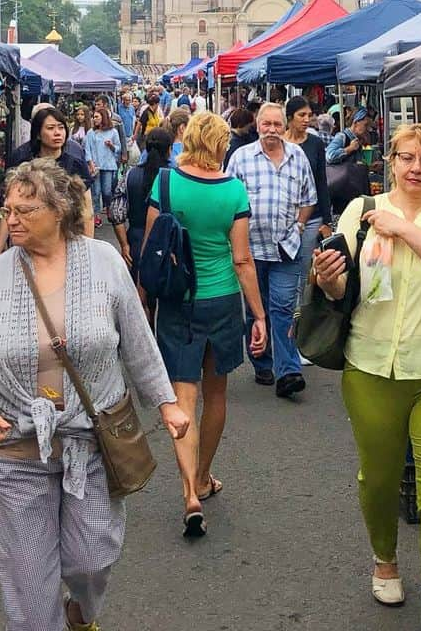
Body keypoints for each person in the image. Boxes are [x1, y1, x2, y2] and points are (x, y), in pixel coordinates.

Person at [0, 158, 189, 631]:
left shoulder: (103, 262)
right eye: (8, 209)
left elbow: (138, 340)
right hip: (16, 449)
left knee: (91, 557)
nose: (12, 219)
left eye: (26, 209)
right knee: (29, 582)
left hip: (92, 440)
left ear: (60, 209)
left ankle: (80, 613)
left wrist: (166, 403)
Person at [311, 123, 421, 629]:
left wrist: (403, 228)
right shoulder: (360, 212)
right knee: (379, 480)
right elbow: (342, 292)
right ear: (392, 161)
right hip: (371, 367)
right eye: (406, 158)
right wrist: (329, 278)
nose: (415, 168)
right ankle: (385, 558)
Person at [142, 113, 267, 538]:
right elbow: (243, 259)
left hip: (178, 302)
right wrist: (259, 314)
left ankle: (187, 492)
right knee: (216, 394)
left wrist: (145, 302)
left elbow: (150, 249)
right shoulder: (233, 190)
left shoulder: (166, 183)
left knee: (182, 397)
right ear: (220, 145)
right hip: (222, 300)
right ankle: (204, 476)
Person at [225, 103, 316, 398]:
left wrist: (300, 227)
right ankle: (261, 360)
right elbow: (228, 199)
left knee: (283, 307)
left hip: (286, 247)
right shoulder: (240, 158)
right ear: (257, 125)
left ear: (284, 126)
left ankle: (288, 370)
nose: (273, 130)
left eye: (277, 125)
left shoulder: (298, 157)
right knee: (256, 308)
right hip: (250, 250)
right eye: (267, 125)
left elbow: (308, 197)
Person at [0, 107, 94, 255]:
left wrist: (88, 250)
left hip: (67, 240)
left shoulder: (75, 164)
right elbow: (10, 208)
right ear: (38, 134)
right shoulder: (23, 162)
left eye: (61, 127)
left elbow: (86, 209)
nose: (57, 133)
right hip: (29, 241)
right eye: (50, 128)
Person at [285, 97, 334, 286]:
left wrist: (327, 221)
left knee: (304, 268)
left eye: (309, 115)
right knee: (285, 268)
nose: (306, 119)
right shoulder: (279, 143)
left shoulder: (315, 143)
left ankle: (300, 311)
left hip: (312, 218)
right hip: (285, 217)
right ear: (290, 117)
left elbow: (321, 182)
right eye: (301, 115)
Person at [111, 127, 173, 276]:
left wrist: (124, 245)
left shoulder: (130, 174)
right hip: (168, 243)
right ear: (169, 149)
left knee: (138, 291)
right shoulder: (175, 176)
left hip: (136, 240)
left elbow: (116, 214)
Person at [87, 104, 122, 227]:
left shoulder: (113, 132)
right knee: (95, 191)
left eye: (97, 116)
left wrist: (111, 146)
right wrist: (90, 163)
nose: (94, 119)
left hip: (108, 164)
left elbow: (118, 148)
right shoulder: (91, 133)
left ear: (104, 117)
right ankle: (96, 215)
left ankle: (108, 207)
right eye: (93, 117)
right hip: (96, 166)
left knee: (107, 191)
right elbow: (88, 149)